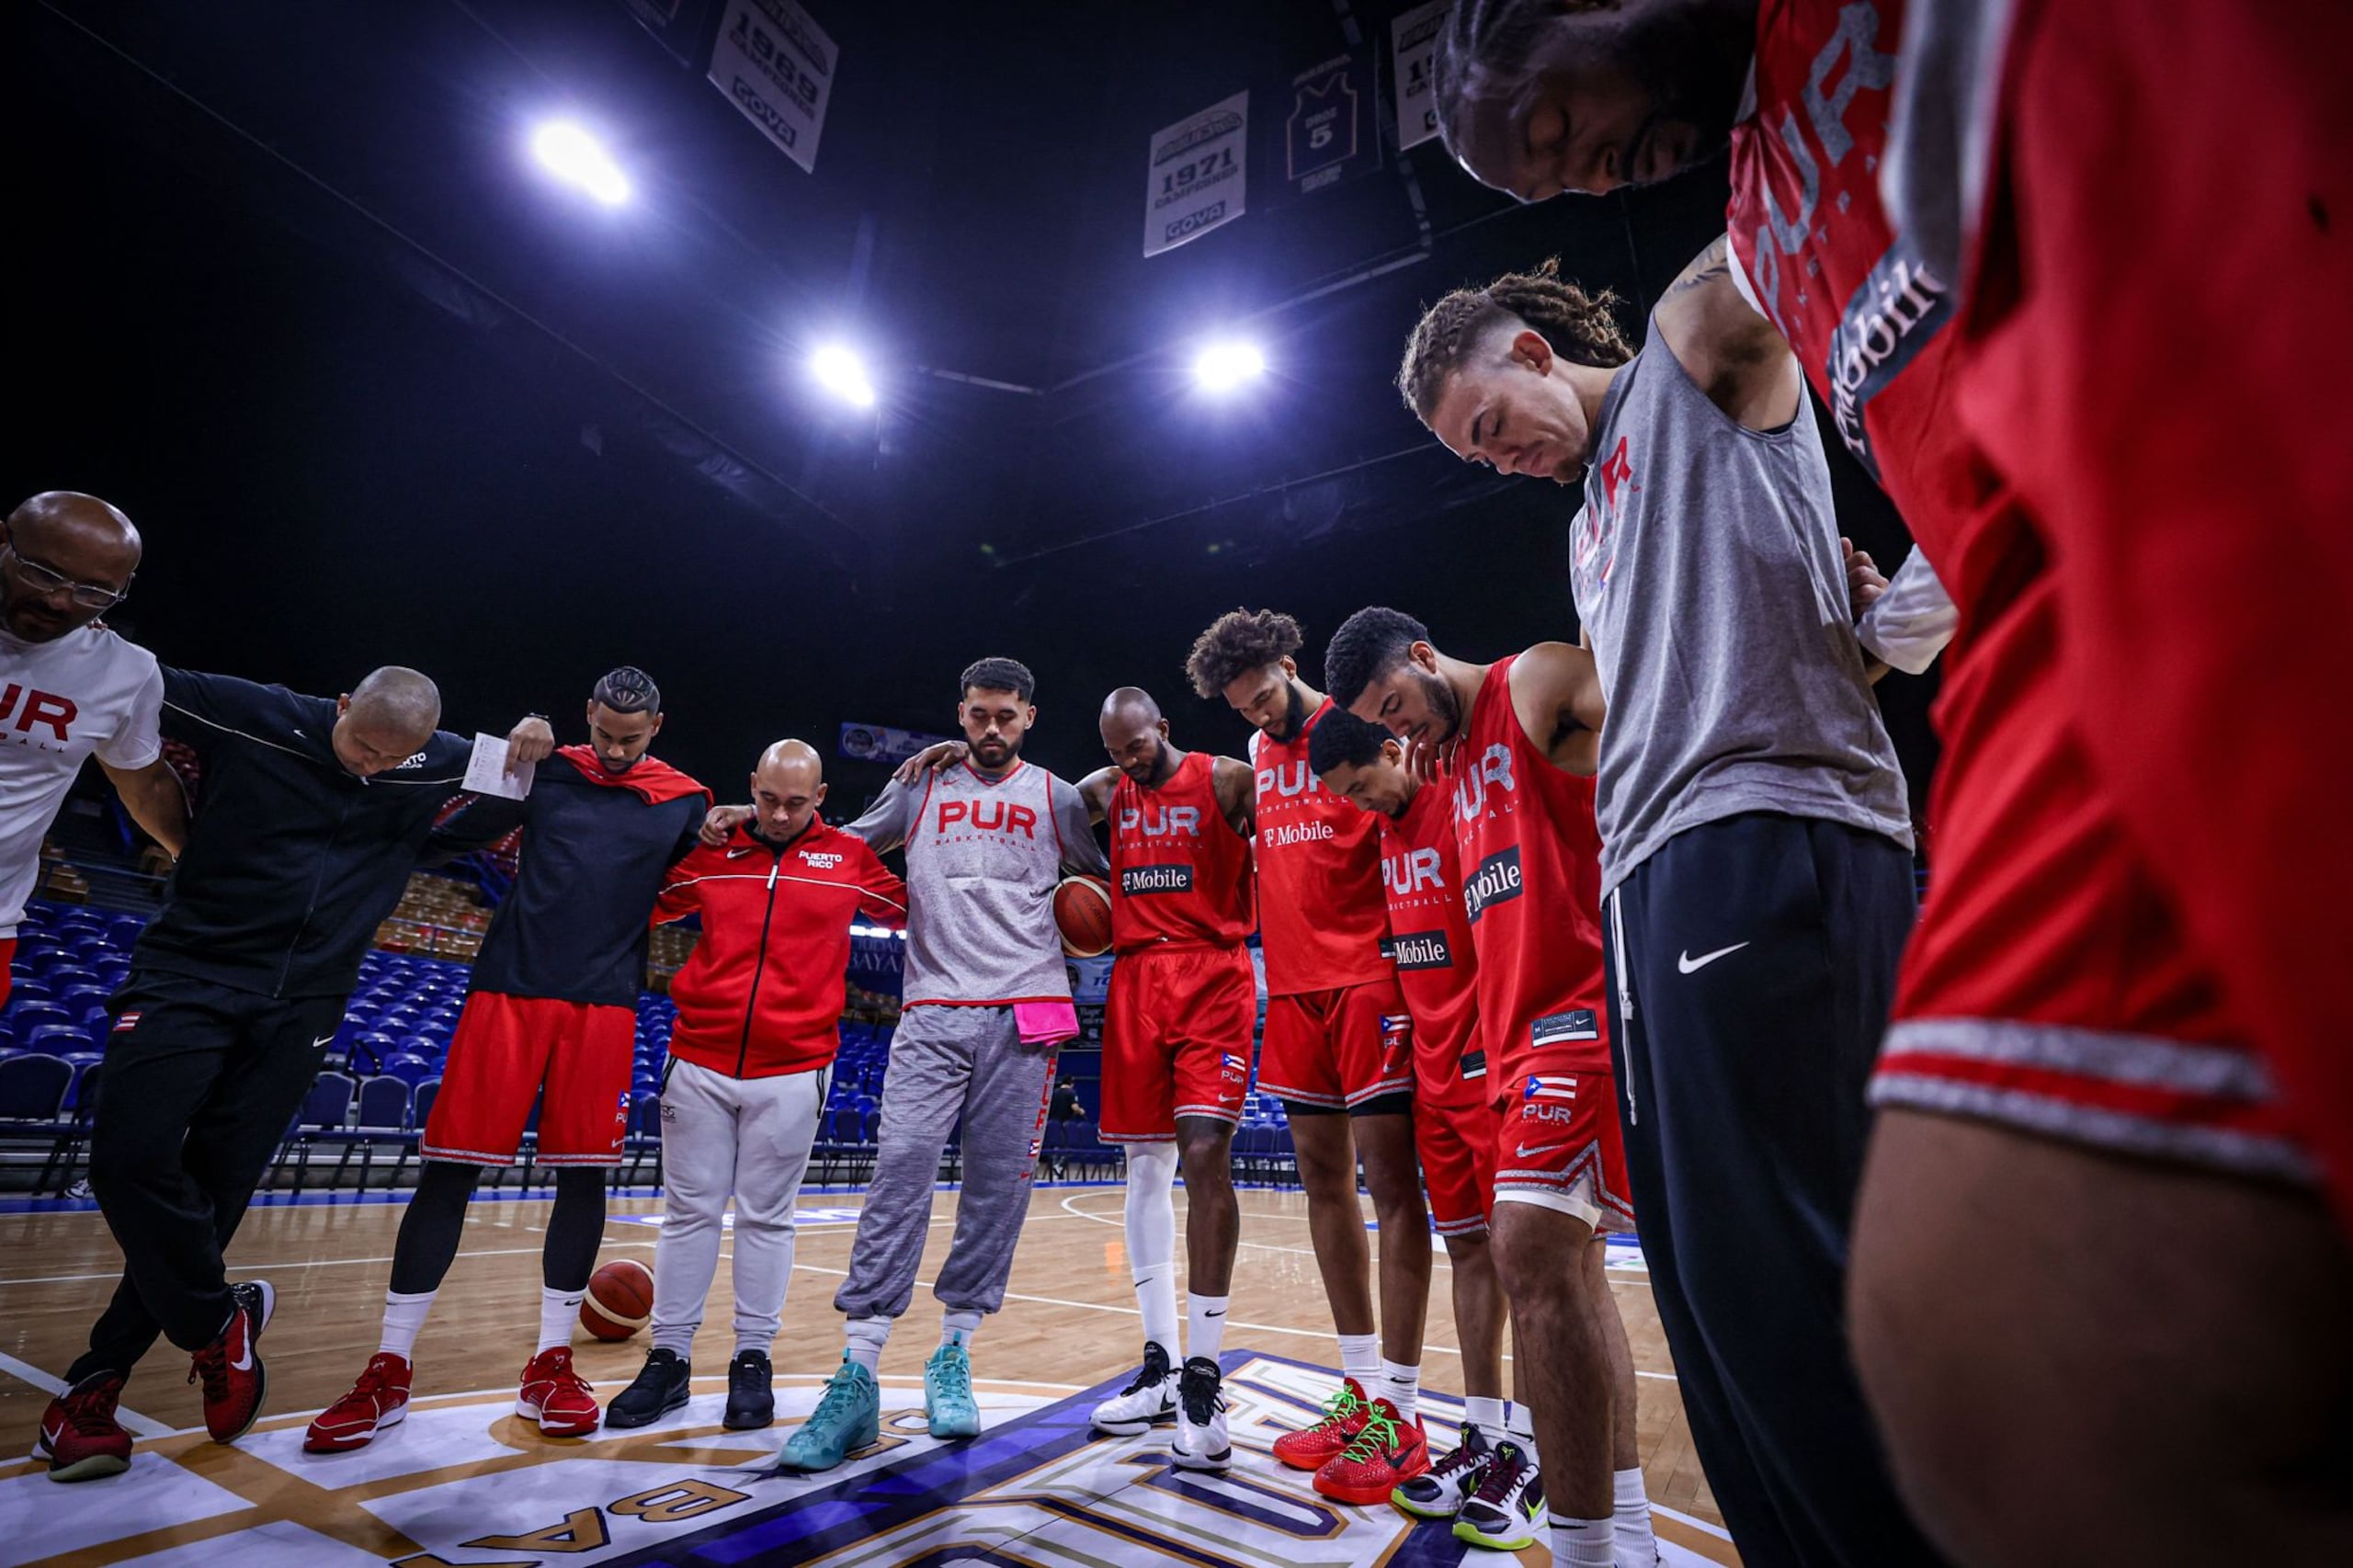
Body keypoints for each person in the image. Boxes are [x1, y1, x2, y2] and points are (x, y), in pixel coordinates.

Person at [1429, 5, 2353, 1560]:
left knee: (1872, 1302)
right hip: (1663, 870)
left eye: (1485, 422)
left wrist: (1916, 601)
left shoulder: (1693, 321)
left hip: (1774, 828)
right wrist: (1892, 613)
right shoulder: (1594, 516)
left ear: (1529, 348)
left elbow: (1879, 306)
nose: (1492, 454)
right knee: (1725, 1302)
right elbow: (1883, 541)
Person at [35, 666, 543, 1482]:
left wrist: (534, 737)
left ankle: (96, 1385)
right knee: (127, 1159)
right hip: (188, 972)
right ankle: (217, 1320)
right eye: (361, 745)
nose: (370, 767)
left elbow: (519, 786)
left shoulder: (435, 762)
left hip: (305, 1005)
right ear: (341, 706)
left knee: (213, 1191)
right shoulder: (256, 714)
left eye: (392, 758)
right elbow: (129, 681)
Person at [308, 666, 709, 1452]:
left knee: (584, 1177)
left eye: (629, 738)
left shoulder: (685, 800)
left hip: (606, 1005)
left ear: (657, 727)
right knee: (449, 1173)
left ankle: (551, 1364)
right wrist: (516, 742)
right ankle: (388, 1368)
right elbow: (437, 812)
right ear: (584, 716)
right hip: (506, 993)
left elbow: (703, 881)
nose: (614, 748)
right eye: (601, 732)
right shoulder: (544, 764)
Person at [1322, 619, 1648, 1568]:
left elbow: (1651, 706)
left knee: (1528, 1250)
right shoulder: (1449, 763)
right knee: (1573, 1278)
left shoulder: (1535, 678)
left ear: (1423, 660)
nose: (1400, 732)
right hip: (1512, 1041)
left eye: (1396, 708)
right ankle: (1625, 1539)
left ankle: (1582, 1541)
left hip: (1579, 1018)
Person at [897, 685, 1258, 1469]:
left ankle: (1204, 1372)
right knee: (1143, 1170)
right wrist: (960, 758)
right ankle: (1160, 1364)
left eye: (1140, 746)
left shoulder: (1228, 779)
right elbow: (1021, 792)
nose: (1131, 761)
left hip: (1214, 978)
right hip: (1135, 982)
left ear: (1163, 728)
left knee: (1205, 1156)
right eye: (1117, 752)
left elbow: (1294, 842)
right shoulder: (1100, 792)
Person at [774, 656, 1107, 1472]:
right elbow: (846, 849)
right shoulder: (919, 788)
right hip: (931, 1009)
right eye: (979, 715)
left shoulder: (1056, 798)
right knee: (900, 1171)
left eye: (1008, 717)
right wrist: (759, 822)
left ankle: (953, 1354)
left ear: (1029, 716)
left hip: (1026, 1013)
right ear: (961, 713)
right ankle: (856, 1373)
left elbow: (1101, 888)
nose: (992, 730)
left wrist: (1091, 916)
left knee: (1000, 1190)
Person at [1183, 609, 1432, 1502]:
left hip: (1371, 978)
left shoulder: (1359, 727)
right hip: (1289, 991)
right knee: (1324, 1187)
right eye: (1243, 707)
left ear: (1290, 664)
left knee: (1393, 1189)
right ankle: (1361, 1386)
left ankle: (1402, 1410)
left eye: (1266, 695)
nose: (1260, 715)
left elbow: (1408, 824)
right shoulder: (1257, 757)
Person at [601, 739, 904, 1433]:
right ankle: (670, 1359)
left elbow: (928, 913)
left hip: (795, 1067)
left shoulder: (850, 863)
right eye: (767, 798)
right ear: (751, 786)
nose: (778, 813)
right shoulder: (717, 849)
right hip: (700, 1060)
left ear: (821, 799)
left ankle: (752, 1361)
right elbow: (642, 900)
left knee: (767, 1217)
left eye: (796, 802)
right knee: (688, 1214)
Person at [1308, 708, 1528, 1528]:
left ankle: (1534, 1455)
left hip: (1496, 1061)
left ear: (1398, 750)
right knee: (1470, 1248)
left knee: (1534, 1265)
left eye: (1365, 785)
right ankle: (1482, 1431)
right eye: (1346, 796)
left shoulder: (1457, 797)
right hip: (1432, 1069)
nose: (1362, 805)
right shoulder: (1388, 830)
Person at [0, 493, 186, 1011]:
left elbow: (143, 781)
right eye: (42, 573)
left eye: (94, 592)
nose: (61, 601)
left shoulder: (125, 672)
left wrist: (193, 861)